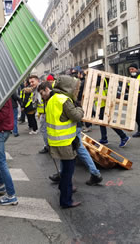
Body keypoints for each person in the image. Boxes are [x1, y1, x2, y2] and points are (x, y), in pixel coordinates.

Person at [46, 76, 103, 186]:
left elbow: (76, 115)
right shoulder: (68, 92)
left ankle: (95, 174)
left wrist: (79, 109)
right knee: (69, 151)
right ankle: (91, 174)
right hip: (70, 126)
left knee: (77, 150)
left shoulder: (64, 95)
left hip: (71, 127)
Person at [38, 76, 84, 208]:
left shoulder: (52, 99)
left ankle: (65, 188)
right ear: (68, 87)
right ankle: (66, 200)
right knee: (68, 172)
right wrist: (80, 108)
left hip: (57, 141)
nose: (76, 89)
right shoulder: (64, 100)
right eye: (75, 87)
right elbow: (76, 116)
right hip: (65, 142)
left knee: (65, 170)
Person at [38, 74, 55, 154]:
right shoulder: (50, 94)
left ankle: (49, 146)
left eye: (42, 93)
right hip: (44, 114)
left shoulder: (55, 96)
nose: (41, 96)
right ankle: (49, 146)